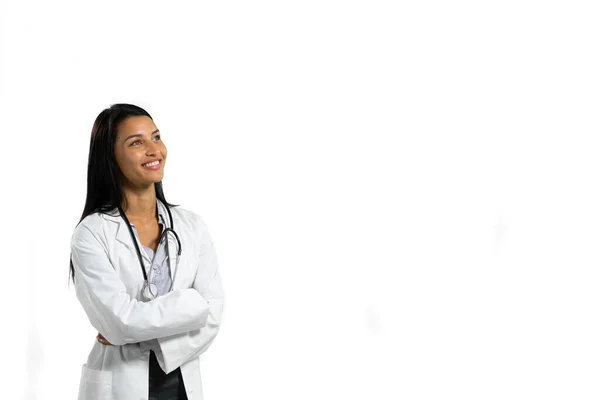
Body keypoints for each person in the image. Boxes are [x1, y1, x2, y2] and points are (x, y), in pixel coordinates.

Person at [70, 103, 224, 400]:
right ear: (110, 157)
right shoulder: (91, 233)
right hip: (118, 386)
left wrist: (136, 333)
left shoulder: (191, 226)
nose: (154, 150)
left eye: (156, 137)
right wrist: (191, 307)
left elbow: (212, 313)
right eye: (137, 142)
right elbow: (119, 322)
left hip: (181, 385)